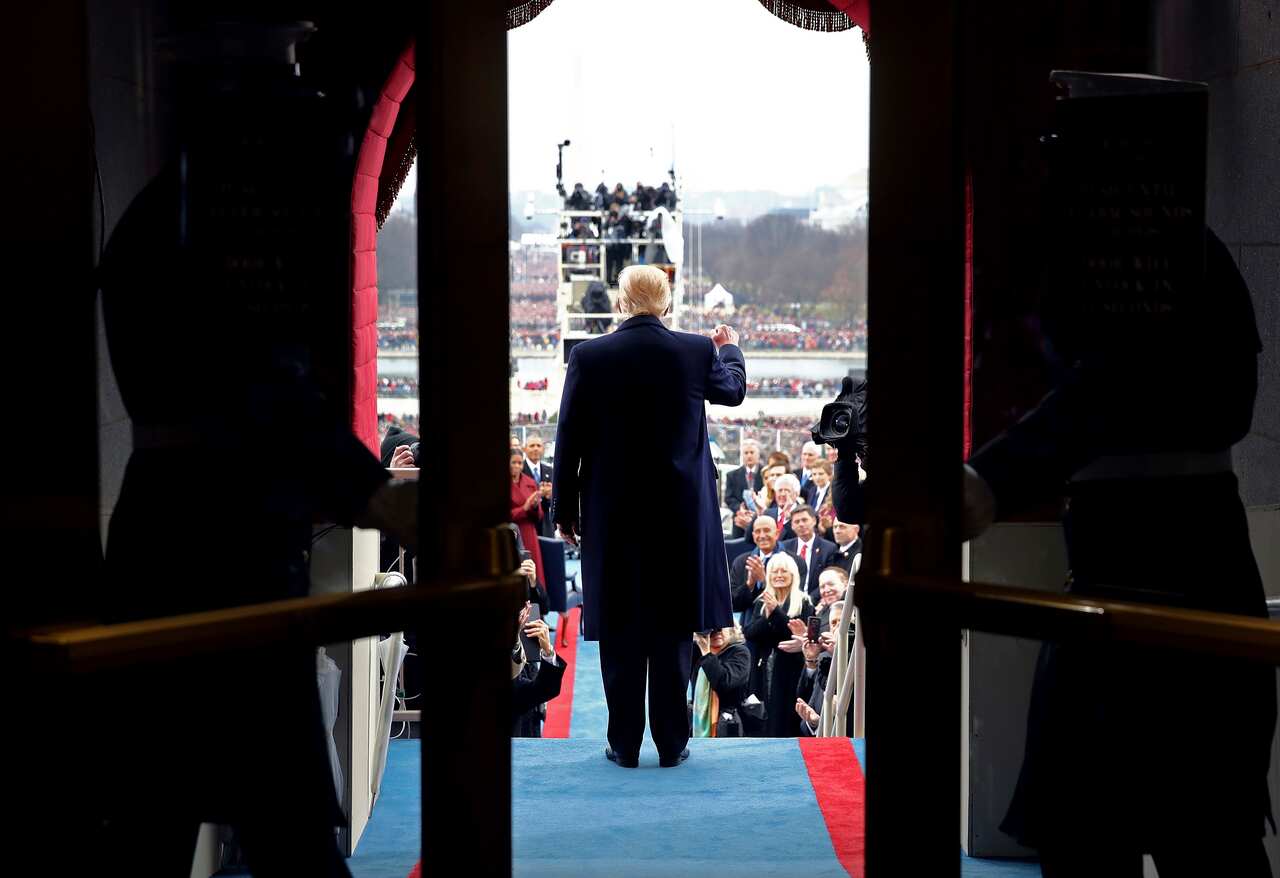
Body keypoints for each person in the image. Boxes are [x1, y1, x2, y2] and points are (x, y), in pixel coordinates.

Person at [964, 230, 1274, 876]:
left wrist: (991, 479)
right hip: (1200, 578)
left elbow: (1103, 395)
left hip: (1123, 589)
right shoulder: (1198, 253)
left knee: (1103, 836)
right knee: (1210, 837)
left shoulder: (1134, 251)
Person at [551, 264, 746, 768]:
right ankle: (672, 743)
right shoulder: (695, 350)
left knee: (619, 630)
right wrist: (729, 347)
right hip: (679, 518)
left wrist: (566, 509)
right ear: (665, 303)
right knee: (672, 630)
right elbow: (732, 392)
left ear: (621, 302)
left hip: (613, 516)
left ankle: (624, 744)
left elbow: (568, 435)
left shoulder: (589, 355)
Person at [743, 553, 815, 737]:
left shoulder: (804, 602)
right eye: (775, 571)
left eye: (784, 571)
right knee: (766, 715)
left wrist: (775, 611)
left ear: (793, 575)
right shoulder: (761, 601)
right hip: (765, 666)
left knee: (786, 716)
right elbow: (750, 634)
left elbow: (793, 632)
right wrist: (767, 616)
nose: (779, 575)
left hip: (792, 667)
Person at [690, 626, 752, 738]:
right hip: (698, 722)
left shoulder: (739, 652)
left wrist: (706, 653)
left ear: (731, 629)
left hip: (729, 723)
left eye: (722, 627)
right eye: (712, 628)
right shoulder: (695, 653)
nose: (717, 631)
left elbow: (724, 682)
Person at [781, 504, 838, 602]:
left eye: (804, 520)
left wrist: (807, 600)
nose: (801, 524)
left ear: (814, 521)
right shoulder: (785, 547)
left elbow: (827, 579)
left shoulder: (828, 548)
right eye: (797, 522)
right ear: (792, 526)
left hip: (815, 600)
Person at [510, 447, 545, 587]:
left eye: (520, 463)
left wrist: (535, 507)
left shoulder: (530, 482)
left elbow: (540, 516)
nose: (517, 466)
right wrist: (523, 508)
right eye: (514, 462)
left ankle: (535, 606)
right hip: (512, 534)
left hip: (529, 533)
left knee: (533, 573)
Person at [724, 438, 763, 538]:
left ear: (758, 454)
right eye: (746, 453)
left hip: (760, 519)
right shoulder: (732, 475)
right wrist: (739, 509)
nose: (749, 455)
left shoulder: (765, 473)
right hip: (740, 522)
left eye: (752, 452)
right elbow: (729, 497)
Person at [522, 433, 555, 538]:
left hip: (546, 526)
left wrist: (550, 495)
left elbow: (553, 501)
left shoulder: (549, 470)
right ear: (525, 449)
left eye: (538, 446)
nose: (535, 449)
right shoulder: (519, 470)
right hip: (527, 525)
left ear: (543, 449)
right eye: (532, 446)